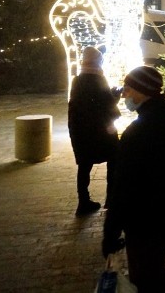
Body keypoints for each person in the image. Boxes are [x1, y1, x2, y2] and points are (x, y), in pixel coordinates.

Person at [102, 66, 165, 292]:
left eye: (128, 89)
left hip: (144, 220)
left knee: (147, 276)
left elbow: (122, 186)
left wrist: (111, 232)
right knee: (154, 267)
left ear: (143, 91)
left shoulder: (137, 132)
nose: (124, 94)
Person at [67, 47, 120, 216]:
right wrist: (115, 96)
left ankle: (83, 201)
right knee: (114, 161)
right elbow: (107, 105)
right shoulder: (99, 80)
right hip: (103, 132)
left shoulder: (77, 81)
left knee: (84, 166)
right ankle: (111, 199)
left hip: (81, 133)